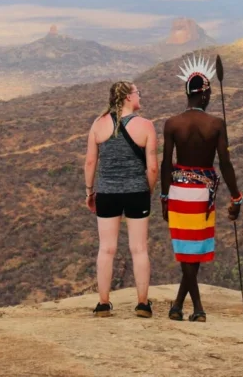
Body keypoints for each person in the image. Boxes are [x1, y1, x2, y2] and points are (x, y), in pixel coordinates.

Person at [160, 55, 243, 322]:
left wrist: (163, 197)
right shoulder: (216, 125)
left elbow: (166, 164)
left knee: (187, 251)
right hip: (203, 195)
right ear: (206, 96)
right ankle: (197, 308)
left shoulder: (172, 124)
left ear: (187, 94)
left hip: (178, 192)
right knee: (192, 250)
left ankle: (178, 306)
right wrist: (236, 195)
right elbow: (225, 163)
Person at [84, 80, 159, 318]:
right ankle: (142, 303)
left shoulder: (98, 125)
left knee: (106, 249)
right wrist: (146, 189)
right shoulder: (146, 126)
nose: (140, 96)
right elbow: (153, 168)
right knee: (139, 248)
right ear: (128, 97)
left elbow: (90, 162)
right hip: (137, 192)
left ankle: (104, 303)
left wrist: (89, 192)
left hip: (107, 193)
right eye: (138, 92)